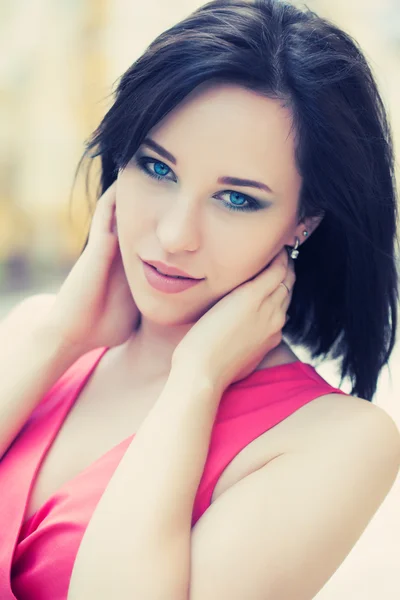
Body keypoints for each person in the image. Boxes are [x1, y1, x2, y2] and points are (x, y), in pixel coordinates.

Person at [0, 0, 399, 598]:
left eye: (237, 199)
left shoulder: (339, 441)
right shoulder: (41, 334)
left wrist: (196, 381)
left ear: (304, 221)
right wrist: (59, 338)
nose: (174, 235)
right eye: (156, 168)